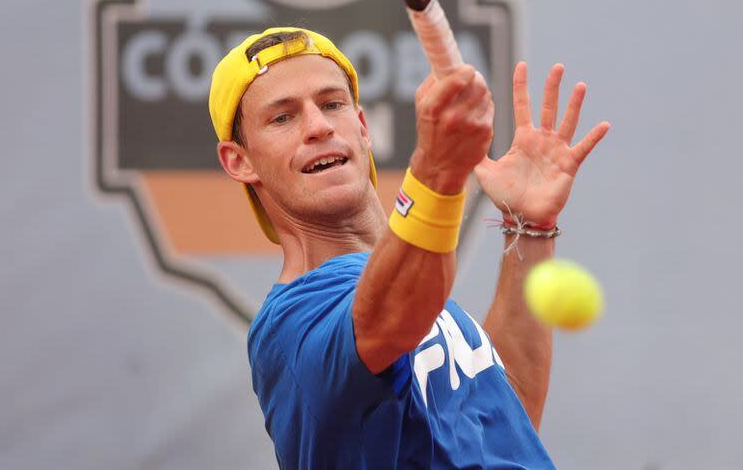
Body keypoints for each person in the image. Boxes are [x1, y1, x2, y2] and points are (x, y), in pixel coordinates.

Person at [209, 27, 609, 469]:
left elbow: (501, 419)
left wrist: (528, 227)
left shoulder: (402, 290)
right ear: (239, 161)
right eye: (282, 118)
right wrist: (438, 168)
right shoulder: (294, 319)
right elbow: (391, 316)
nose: (318, 126)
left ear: (362, 127)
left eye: (331, 104)